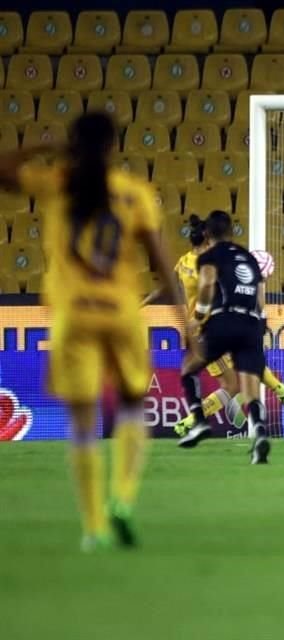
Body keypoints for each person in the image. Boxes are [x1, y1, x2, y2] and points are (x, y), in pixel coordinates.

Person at [0, 112, 195, 550]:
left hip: (73, 315)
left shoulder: (57, 185)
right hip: (121, 312)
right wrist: (186, 323)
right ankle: (122, 499)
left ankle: (93, 527)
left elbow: (3, 170)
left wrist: (44, 144)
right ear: (113, 146)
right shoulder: (133, 194)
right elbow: (162, 264)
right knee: (129, 409)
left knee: (83, 423)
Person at [143, 214, 284, 436]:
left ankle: (282, 391)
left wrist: (143, 301)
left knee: (238, 372)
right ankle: (189, 422)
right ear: (207, 239)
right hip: (212, 327)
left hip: (202, 329)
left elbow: (165, 288)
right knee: (234, 379)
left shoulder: (183, 263)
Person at [176, 211, 271, 464]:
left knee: (188, 367)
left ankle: (198, 421)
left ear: (207, 234)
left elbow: (206, 284)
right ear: (232, 231)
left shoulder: (209, 256)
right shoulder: (250, 258)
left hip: (224, 321)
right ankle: (260, 432)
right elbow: (260, 297)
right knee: (250, 388)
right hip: (251, 324)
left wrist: (199, 315)